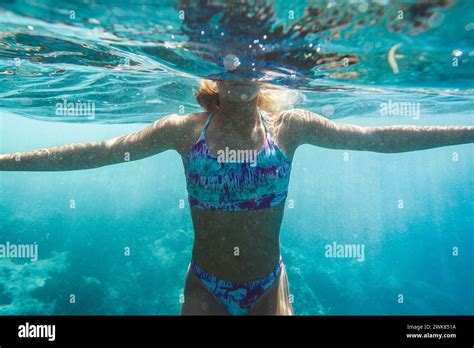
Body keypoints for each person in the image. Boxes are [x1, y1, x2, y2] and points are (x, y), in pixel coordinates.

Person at [1, 78, 473, 315]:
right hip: (205, 286)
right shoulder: (184, 131)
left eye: (253, 65)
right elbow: (101, 153)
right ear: (211, 79)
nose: (242, 72)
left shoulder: (290, 127)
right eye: (228, 64)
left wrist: (467, 133)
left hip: (267, 286)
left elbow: (377, 139)